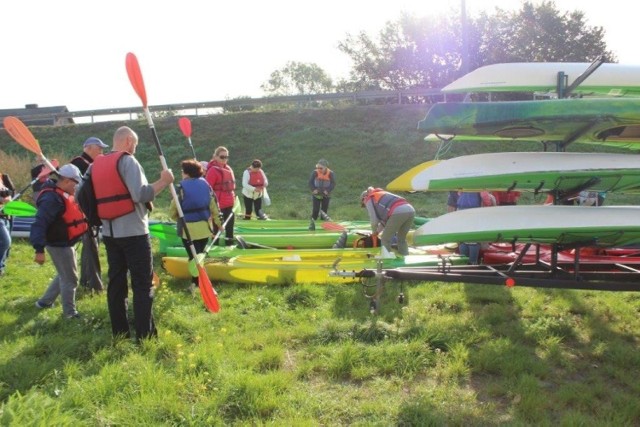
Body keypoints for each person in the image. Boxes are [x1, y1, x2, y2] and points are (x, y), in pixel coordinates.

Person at [91, 126, 174, 341]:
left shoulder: (96, 164)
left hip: (109, 233)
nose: (135, 148)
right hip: (134, 233)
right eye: (134, 144)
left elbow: (85, 194)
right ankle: (145, 335)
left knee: (116, 283)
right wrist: (164, 181)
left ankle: (120, 333)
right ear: (128, 140)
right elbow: (141, 194)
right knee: (142, 284)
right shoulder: (128, 161)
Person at [31, 164, 87, 318]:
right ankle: (70, 313)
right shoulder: (51, 198)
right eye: (76, 183)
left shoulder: (61, 193)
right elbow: (39, 223)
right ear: (68, 181)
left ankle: (44, 302)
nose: (77, 187)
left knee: (64, 274)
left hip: (66, 242)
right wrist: (39, 250)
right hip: (59, 245)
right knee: (71, 279)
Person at [169, 159, 221, 288]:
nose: (181, 173)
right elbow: (214, 206)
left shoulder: (181, 188)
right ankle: (199, 281)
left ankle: (196, 283)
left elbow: (173, 210)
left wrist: (178, 219)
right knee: (199, 255)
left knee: (193, 257)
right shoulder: (206, 185)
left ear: (187, 173)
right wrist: (219, 223)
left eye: (182, 171)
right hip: (204, 228)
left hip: (188, 230)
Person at [71, 136, 109, 293]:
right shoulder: (79, 163)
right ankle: (92, 285)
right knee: (90, 247)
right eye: (98, 148)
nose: (101, 151)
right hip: (84, 213)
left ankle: (87, 282)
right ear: (88, 148)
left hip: (91, 212)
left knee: (91, 247)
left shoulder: (92, 164)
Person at [360, 187, 416, 256]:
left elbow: (374, 220)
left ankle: (386, 260)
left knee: (385, 239)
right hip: (410, 209)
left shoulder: (369, 199)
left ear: (364, 198)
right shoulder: (381, 195)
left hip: (397, 211)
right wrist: (377, 232)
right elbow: (384, 222)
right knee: (401, 238)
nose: (365, 206)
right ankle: (405, 257)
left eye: (364, 204)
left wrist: (374, 232)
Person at [205, 146, 236, 246]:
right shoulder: (212, 171)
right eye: (222, 157)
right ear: (215, 157)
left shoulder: (228, 168)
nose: (224, 159)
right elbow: (207, 190)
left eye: (226, 157)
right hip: (218, 204)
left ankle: (229, 246)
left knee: (230, 226)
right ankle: (214, 246)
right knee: (217, 228)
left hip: (229, 203)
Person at [0, 172, 16, 276]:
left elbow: (11, 194)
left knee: (7, 246)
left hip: (7, 215)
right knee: (6, 241)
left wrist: (8, 198)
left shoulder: (3, 178)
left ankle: (1, 268)